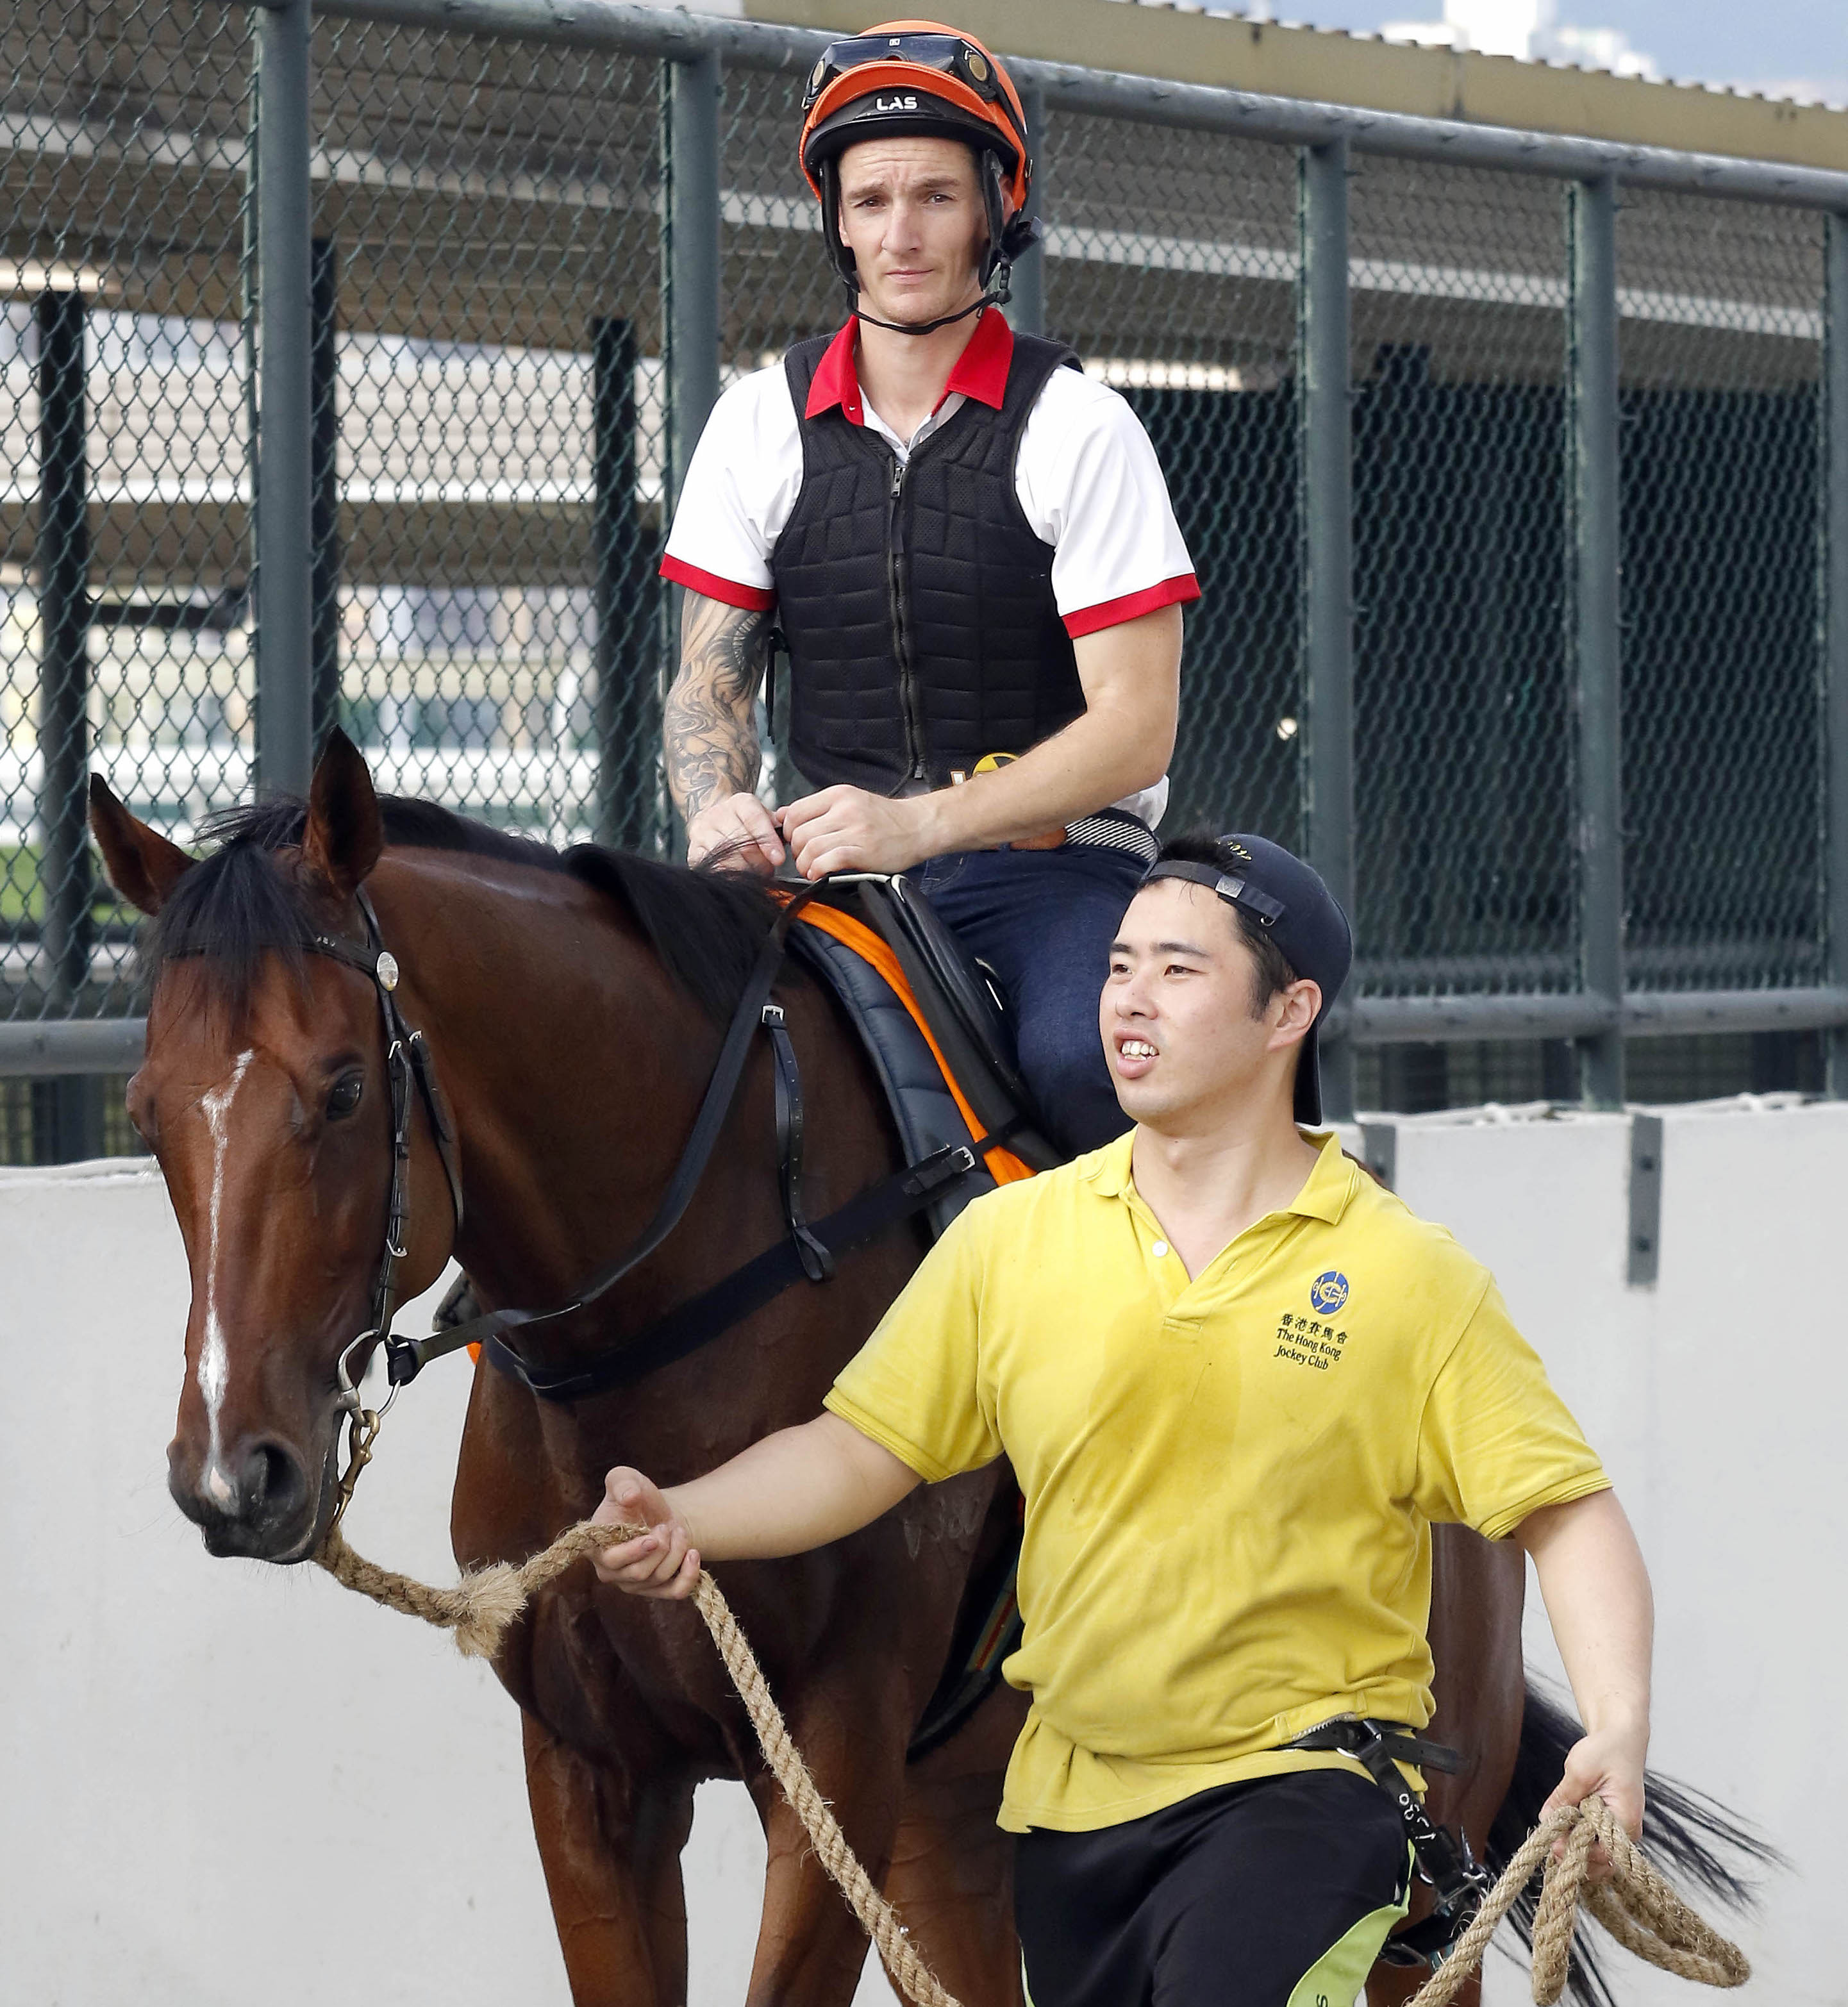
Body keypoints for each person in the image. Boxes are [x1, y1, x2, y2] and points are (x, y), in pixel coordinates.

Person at [588, 829, 1654, 2007]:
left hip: (1306, 1798)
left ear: (1289, 1010)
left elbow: (1568, 1517)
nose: (1129, 1001)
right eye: (1118, 966)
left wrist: (1616, 1722)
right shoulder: (1011, 1241)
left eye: (1179, 972)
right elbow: (860, 1452)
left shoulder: (1409, 1278)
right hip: (1074, 1816)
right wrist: (687, 1516)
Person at [657, 21, 1199, 1156]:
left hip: (1053, 872)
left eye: (937, 199)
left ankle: (1172, 1324)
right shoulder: (756, 422)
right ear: (835, 221)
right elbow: (708, 683)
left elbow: (1137, 731)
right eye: (870, 203)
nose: (900, 237)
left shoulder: (1081, 428)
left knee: (1083, 1060)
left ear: (998, 208)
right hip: (831, 873)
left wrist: (919, 824)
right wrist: (715, 808)